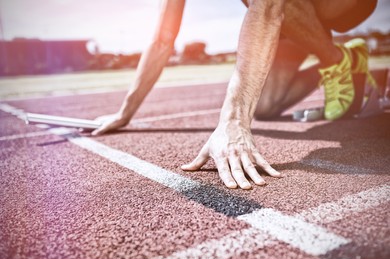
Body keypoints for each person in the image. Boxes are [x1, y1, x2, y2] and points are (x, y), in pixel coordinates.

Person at [92, 0, 377, 190]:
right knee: (266, 103)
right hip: (296, 13)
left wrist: (234, 121)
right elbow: (162, 39)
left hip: (341, 5)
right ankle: (349, 57)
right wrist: (125, 112)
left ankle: (333, 59)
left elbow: (268, 8)